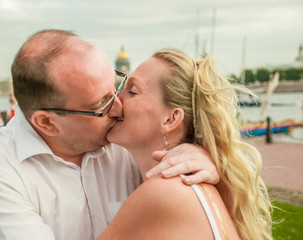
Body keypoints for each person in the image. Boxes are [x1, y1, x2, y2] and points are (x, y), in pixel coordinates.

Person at [0, 30, 219, 240]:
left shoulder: (126, 145)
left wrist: (196, 149)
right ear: (47, 122)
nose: (119, 106)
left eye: (117, 86)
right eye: (100, 104)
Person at [100, 48, 272, 239]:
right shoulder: (191, 186)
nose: (116, 99)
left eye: (132, 91)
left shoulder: (163, 192)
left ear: (171, 120)